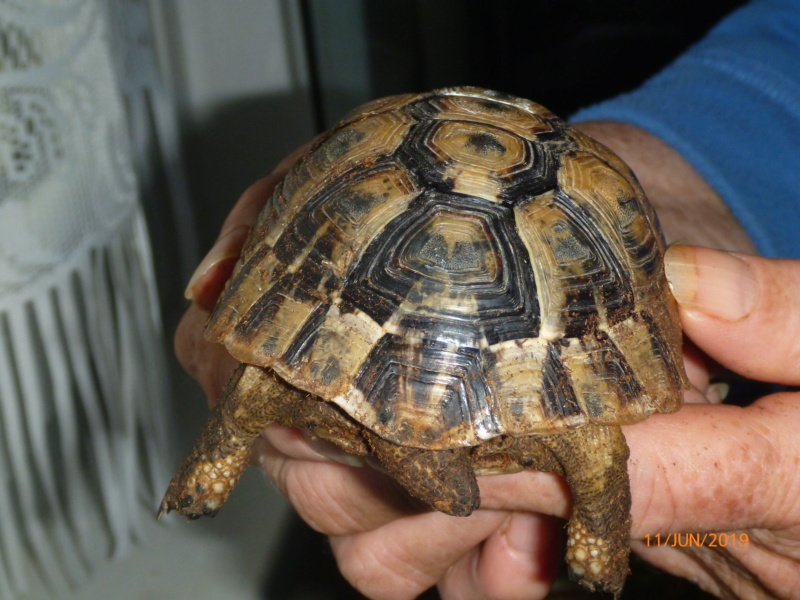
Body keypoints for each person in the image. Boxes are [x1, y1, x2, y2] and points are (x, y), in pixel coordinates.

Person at [175, 0, 800, 597]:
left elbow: (600, 451)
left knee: (597, 450)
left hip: (556, 296)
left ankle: (597, 544)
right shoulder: (305, 392)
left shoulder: (554, 433)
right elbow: (254, 385)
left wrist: (599, 529)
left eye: (450, 487)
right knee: (256, 387)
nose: (458, 500)